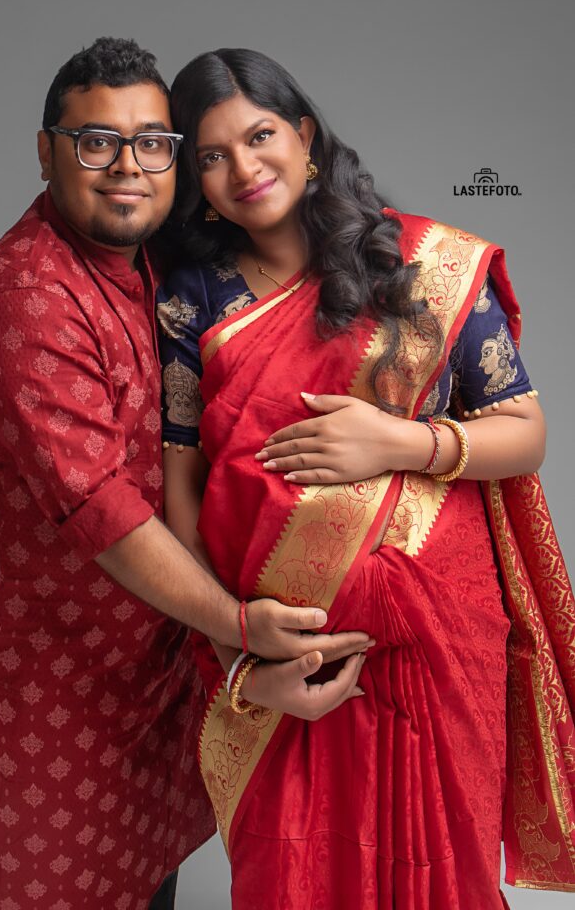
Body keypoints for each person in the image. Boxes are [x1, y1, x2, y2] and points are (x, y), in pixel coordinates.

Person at [0, 38, 367, 910]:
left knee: (147, 879)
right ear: (47, 150)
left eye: (153, 143)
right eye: (96, 141)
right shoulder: (26, 293)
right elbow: (103, 512)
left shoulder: (160, 264)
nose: (126, 167)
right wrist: (244, 632)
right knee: (61, 886)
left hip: (160, 651)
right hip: (51, 668)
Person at [158, 47, 575, 908]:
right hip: (284, 654)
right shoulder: (189, 297)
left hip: (438, 642)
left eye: (261, 134)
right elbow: (180, 491)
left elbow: (523, 432)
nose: (243, 168)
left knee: (442, 876)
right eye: (210, 154)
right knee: (291, 875)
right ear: (194, 178)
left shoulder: (421, 263)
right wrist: (242, 655)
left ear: (305, 136)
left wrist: (397, 442)